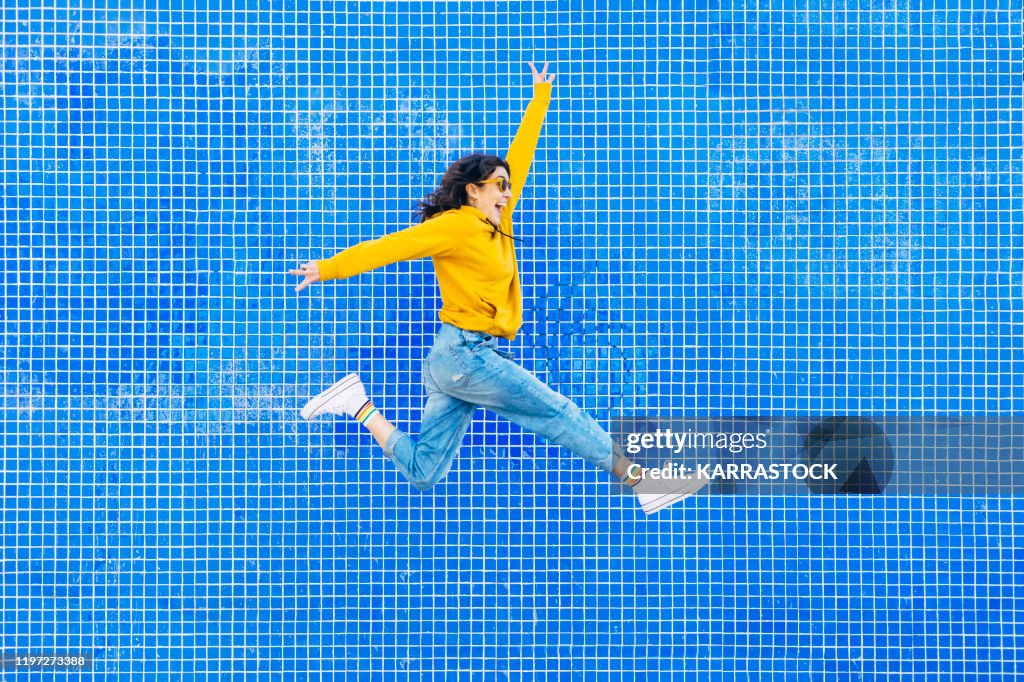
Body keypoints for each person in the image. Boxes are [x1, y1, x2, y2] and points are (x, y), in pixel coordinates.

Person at [289, 61, 706, 514]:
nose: (507, 194)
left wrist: (539, 98)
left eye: (508, 188)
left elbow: (520, 159)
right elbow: (390, 247)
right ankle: (642, 480)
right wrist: (327, 268)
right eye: (498, 187)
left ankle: (356, 404)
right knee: (557, 412)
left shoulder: (496, 222)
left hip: (455, 359)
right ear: (473, 191)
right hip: (465, 356)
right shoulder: (455, 227)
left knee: (424, 469)